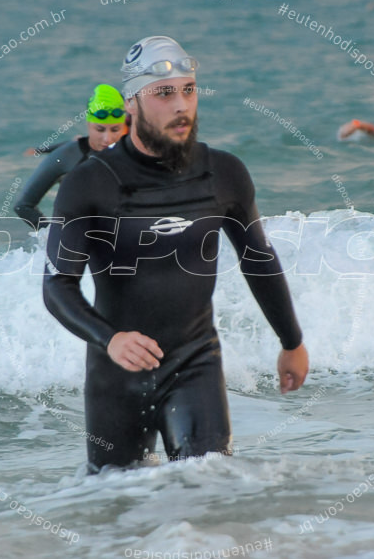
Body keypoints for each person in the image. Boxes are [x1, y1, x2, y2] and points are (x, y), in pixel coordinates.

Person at [43, 35, 309, 473]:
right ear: (132, 102)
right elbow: (58, 285)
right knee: (116, 510)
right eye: (164, 94)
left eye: (188, 90)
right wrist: (110, 339)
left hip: (195, 362)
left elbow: (257, 259)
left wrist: (291, 342)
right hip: (117, 375)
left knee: (208, 493)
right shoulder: (89, 184)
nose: (181, 105)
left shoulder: (223, 173)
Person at [15, 84, 127, 228]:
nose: (107, 138)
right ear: (88, 124)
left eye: (115, 129)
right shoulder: (67, 156)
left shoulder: (133, 153)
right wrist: (52, 236)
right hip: (77, 245)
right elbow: (23, 206)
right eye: (100, 129)